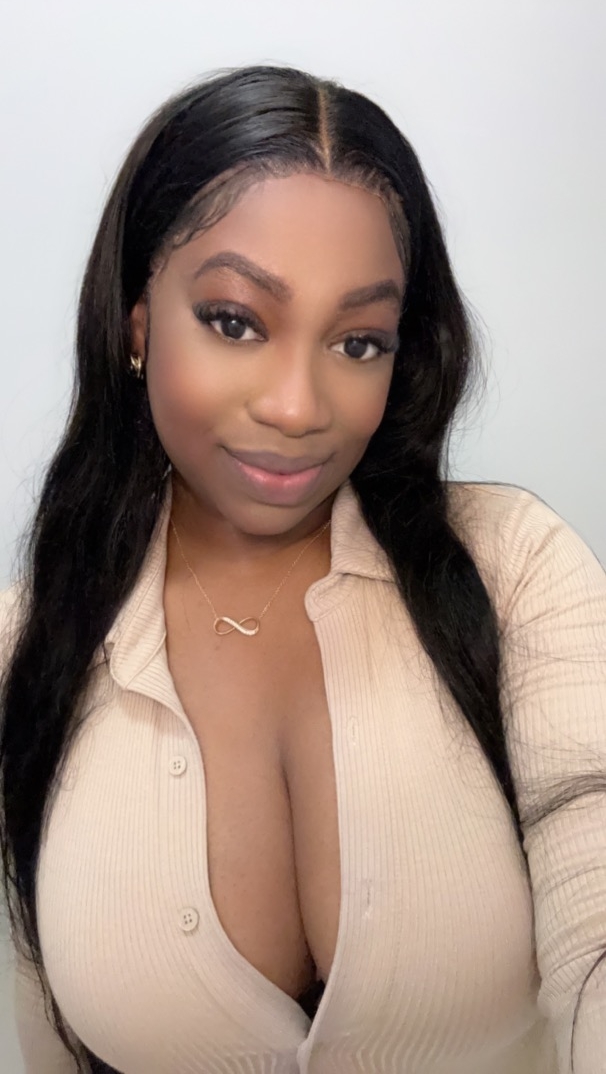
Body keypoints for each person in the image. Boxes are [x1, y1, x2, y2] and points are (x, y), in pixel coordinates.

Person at [0, 63, 604, 1074]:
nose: (297, 407)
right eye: (235, 321)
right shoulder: (30, 651)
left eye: (358, 341)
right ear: (138, 326)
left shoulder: (514, 569)